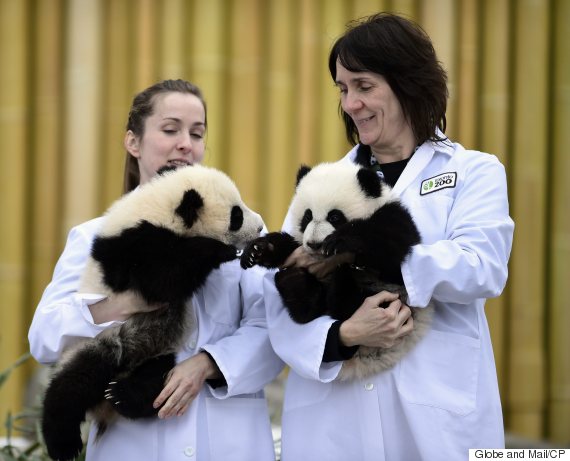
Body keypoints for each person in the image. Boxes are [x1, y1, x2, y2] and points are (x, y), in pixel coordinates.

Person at [263, 13, 515, 461]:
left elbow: (482, 266)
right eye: (342, 89)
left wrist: (365, 253)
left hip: (434, 417)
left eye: (363, 86)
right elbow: (278, 299)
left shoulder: (472, 171)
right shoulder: (323, 187)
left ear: (407, 83)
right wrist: (342, 336)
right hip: (335, 427)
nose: (350, 103)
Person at [29, 79, 283, 461]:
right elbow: (44, 336)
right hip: (132, 445)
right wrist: (118, 305)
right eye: (170, 129)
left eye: (197, 133)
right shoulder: (93, 236)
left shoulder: (243, 231)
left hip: (228, 442)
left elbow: (273, 327)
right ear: (133, 142)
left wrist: (210, 363)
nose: (186, 143)